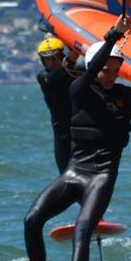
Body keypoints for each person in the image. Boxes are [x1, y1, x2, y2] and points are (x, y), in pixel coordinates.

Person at [23, 15, 131, 261]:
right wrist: (113, 36)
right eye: (105, 70)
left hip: (102, 176)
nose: (111, 75)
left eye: (116, 70)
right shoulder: (79, 90)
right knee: (31, 220)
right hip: (74, 172)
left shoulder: (128, 96)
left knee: (83, 228)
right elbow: (92, 68)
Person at [35, 36, 82, 173]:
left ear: (61, 56)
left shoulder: (77, 70)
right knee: (65, 174)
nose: (51, 62)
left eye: (55, 58)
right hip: (61, 132)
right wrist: (73, 55)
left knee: (85, 171)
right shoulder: (43, 77)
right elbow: (55, 77)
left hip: (81, 127)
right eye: (47, 59)